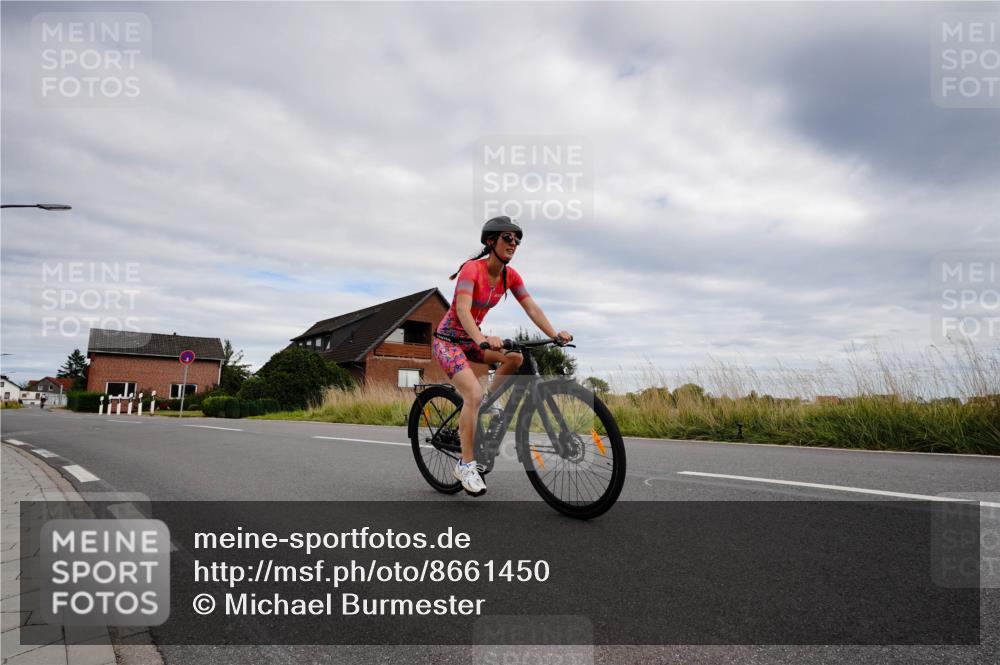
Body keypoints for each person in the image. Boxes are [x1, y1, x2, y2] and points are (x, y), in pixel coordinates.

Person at [432, 216, 573, 496]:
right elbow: (462, 310)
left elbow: (531, 308)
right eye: (507, 238)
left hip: (474, 340)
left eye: (517, 240)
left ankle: (490, 405)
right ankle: (465, 464)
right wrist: (483, 340)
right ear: (490, 242)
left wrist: (554, 333)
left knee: (515, 358)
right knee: (472, 393)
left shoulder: (511, 276)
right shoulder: (472, 270)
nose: (514, 244)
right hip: (449, 341)